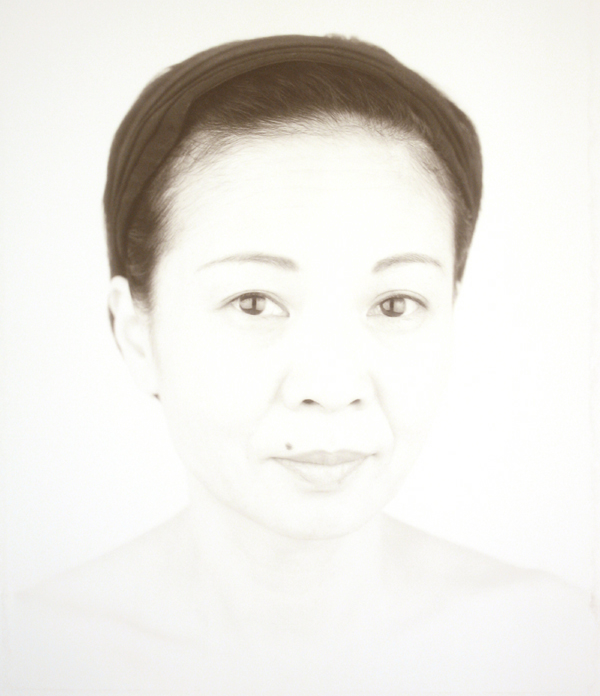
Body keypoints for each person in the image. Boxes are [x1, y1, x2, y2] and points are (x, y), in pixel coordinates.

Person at [7, 35, 597, 694]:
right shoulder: (32, 658)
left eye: (395, 303)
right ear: (136, 333)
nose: (332, 386)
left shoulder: (558, 647)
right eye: (254, 302)